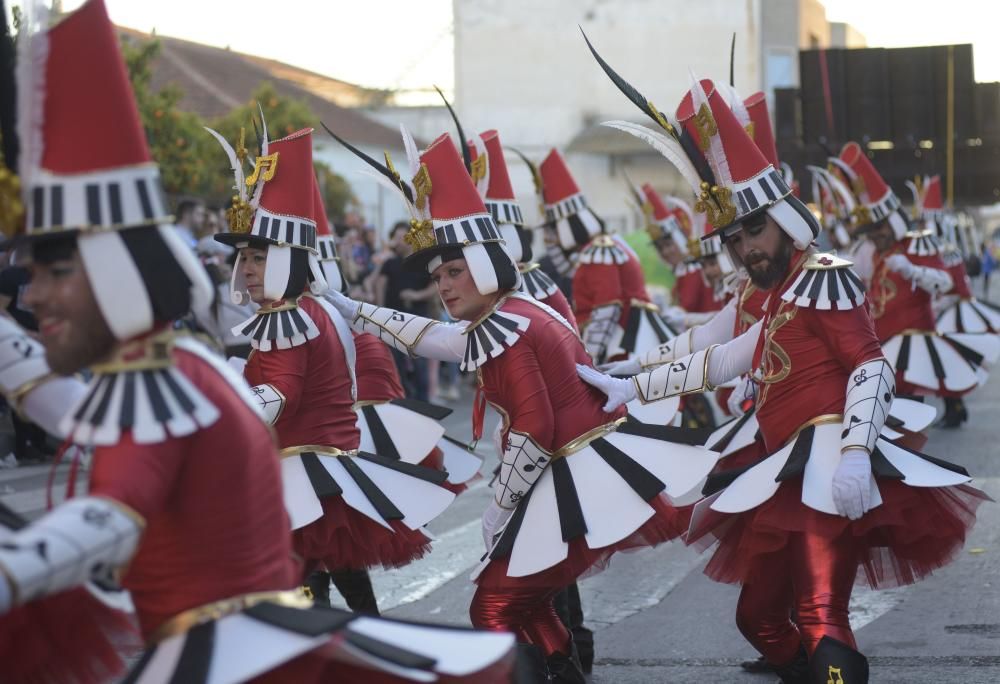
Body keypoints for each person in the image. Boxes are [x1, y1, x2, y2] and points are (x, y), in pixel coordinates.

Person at [0, 4, 517, 682]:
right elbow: (77, 412)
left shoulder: (198, 367)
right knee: (341, 580)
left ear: (118, 275)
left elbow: (116, 510)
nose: (30, 295)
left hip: (229, 644)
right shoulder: (178, 366)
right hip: (248, 605)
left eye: (56, 271)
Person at [578, 64, 986, 683]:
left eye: (753, 231)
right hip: (781, 464)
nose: (744, 249)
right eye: (733, 240)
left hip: (828, 461)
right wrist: (629, 381)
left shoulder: (822, 273)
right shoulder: (776, 290)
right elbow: (723, 354)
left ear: (785, 220)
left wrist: (855, 453)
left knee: (821, 615)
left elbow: (870, 365)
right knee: (759, 620)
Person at [324, 127, 718, 682]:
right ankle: (565, 671)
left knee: (493, 607)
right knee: (531, 601)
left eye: (454, 271)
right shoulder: (517, 311)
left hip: (566, 466)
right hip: (572, 464)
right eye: (438, 276)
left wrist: (498, 508)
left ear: (486, 265)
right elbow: (435, 337)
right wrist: (358, 311)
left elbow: (534, 427)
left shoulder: (506, 324)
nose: (444, 286)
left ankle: (557, 668)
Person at [208, 124, 458, 616]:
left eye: (259, 257)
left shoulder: (288, 314)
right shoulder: (309, 309)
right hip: (324, 460)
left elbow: (280, 396)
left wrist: (214, 412)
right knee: (336, 576)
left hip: (304, 461)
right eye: (245, 258)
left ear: (287, 260)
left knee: (291, 588)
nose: (248, 269)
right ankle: (368, 647)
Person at [836, 145, 998, 429]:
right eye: (871, 230)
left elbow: (945, 281)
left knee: (910, 410)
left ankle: (949, 416)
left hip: (914, 340)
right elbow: (850, 271)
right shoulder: (871, 251)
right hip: (883, 343)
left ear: (894, 221)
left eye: (880, 227)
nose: (876, 235)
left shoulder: (916, 244)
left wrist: (913, 270)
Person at [374, 222, 436, 400]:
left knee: (420, 365)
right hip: (393, 320)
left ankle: (424, 405)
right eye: (395, 238)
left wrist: (417, 295)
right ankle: (403, 403)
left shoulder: (423, 263)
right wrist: (379, 313)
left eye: (401, 238)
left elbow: (436, 286)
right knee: (396, 365)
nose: (398, 242)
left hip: (418, 320)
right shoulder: (390, 263)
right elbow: (379, 284)